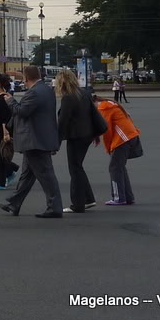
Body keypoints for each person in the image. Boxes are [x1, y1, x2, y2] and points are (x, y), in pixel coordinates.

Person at [0, 65, 64, 218]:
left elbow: (22, 111)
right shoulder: (46, 90)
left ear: (26, 78)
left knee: (46, 174)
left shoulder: (34, 93)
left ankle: (54, 207)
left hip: (35, 140)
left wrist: (10, 101)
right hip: (39, 138)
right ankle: (14, 203)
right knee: (27, 175)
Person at [56, 70, 96, 214]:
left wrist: (56, 143)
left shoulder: (68, 97)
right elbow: (93, 113)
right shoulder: (84, 93)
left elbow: (62, 122)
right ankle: (88, 199)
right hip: (87, 134)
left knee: (75, 169)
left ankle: (78, 204)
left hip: (76, 136)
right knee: (78, 167)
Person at [95, 96, 140, 205]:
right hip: (130, 135)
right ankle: (127, 196)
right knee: (120, 167)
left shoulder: (103, 108)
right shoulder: (111, 104)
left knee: (114, 168)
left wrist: (109, 148)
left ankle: (119, 197)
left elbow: (107, 131)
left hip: (122, 139)